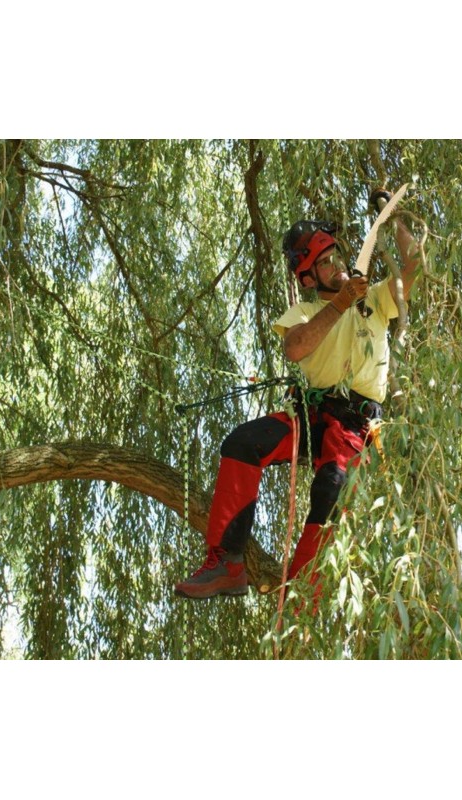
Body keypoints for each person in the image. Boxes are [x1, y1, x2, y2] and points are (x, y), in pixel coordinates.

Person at [174, 192, 419, 599]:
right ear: (307, 279)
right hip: (312, 415)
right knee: (242, 443)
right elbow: (296, 347)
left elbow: (415, 266)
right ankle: (226, 564)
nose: (336, 265)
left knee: (331, 486)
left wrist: (390, 218)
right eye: (324, 263)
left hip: (356, 423)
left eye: (335, 256)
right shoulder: (304, 313)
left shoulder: (375, 300)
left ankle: (304, 592)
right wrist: (341, 303)